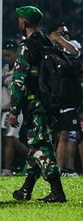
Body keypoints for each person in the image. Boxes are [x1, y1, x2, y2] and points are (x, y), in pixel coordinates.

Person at [10, 6, 67, 203]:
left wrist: (13, 110)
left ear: (24, 22)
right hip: (50, 104)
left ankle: (57, 191)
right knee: (36, 148)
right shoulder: (47, 42)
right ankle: (26, 190)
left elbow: (19, 80)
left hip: (35, 106)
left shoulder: (26, 46)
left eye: (20, 19)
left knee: (42, 146)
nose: (18, 22)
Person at [47, 22, 81, 177]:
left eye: (67, 34)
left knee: (66, 135)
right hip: (56, 100)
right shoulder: (49, 51)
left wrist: (61, 40)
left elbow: (76, 52)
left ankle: (63, 169)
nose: (66, 36)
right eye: (62, 33)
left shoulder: (66, 50)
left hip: (67, 99)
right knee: (62, 135)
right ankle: (60, 169)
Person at [0, 40, 29, 175]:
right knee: (11, 140)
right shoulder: (5, 69)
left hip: (16, 110)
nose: (6, 58)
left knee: (10, 139)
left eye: (8, 55)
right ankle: (36, 159)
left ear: (16, 54)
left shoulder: (20, 69)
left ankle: (7, 169)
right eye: (4, 56)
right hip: (6, 111)